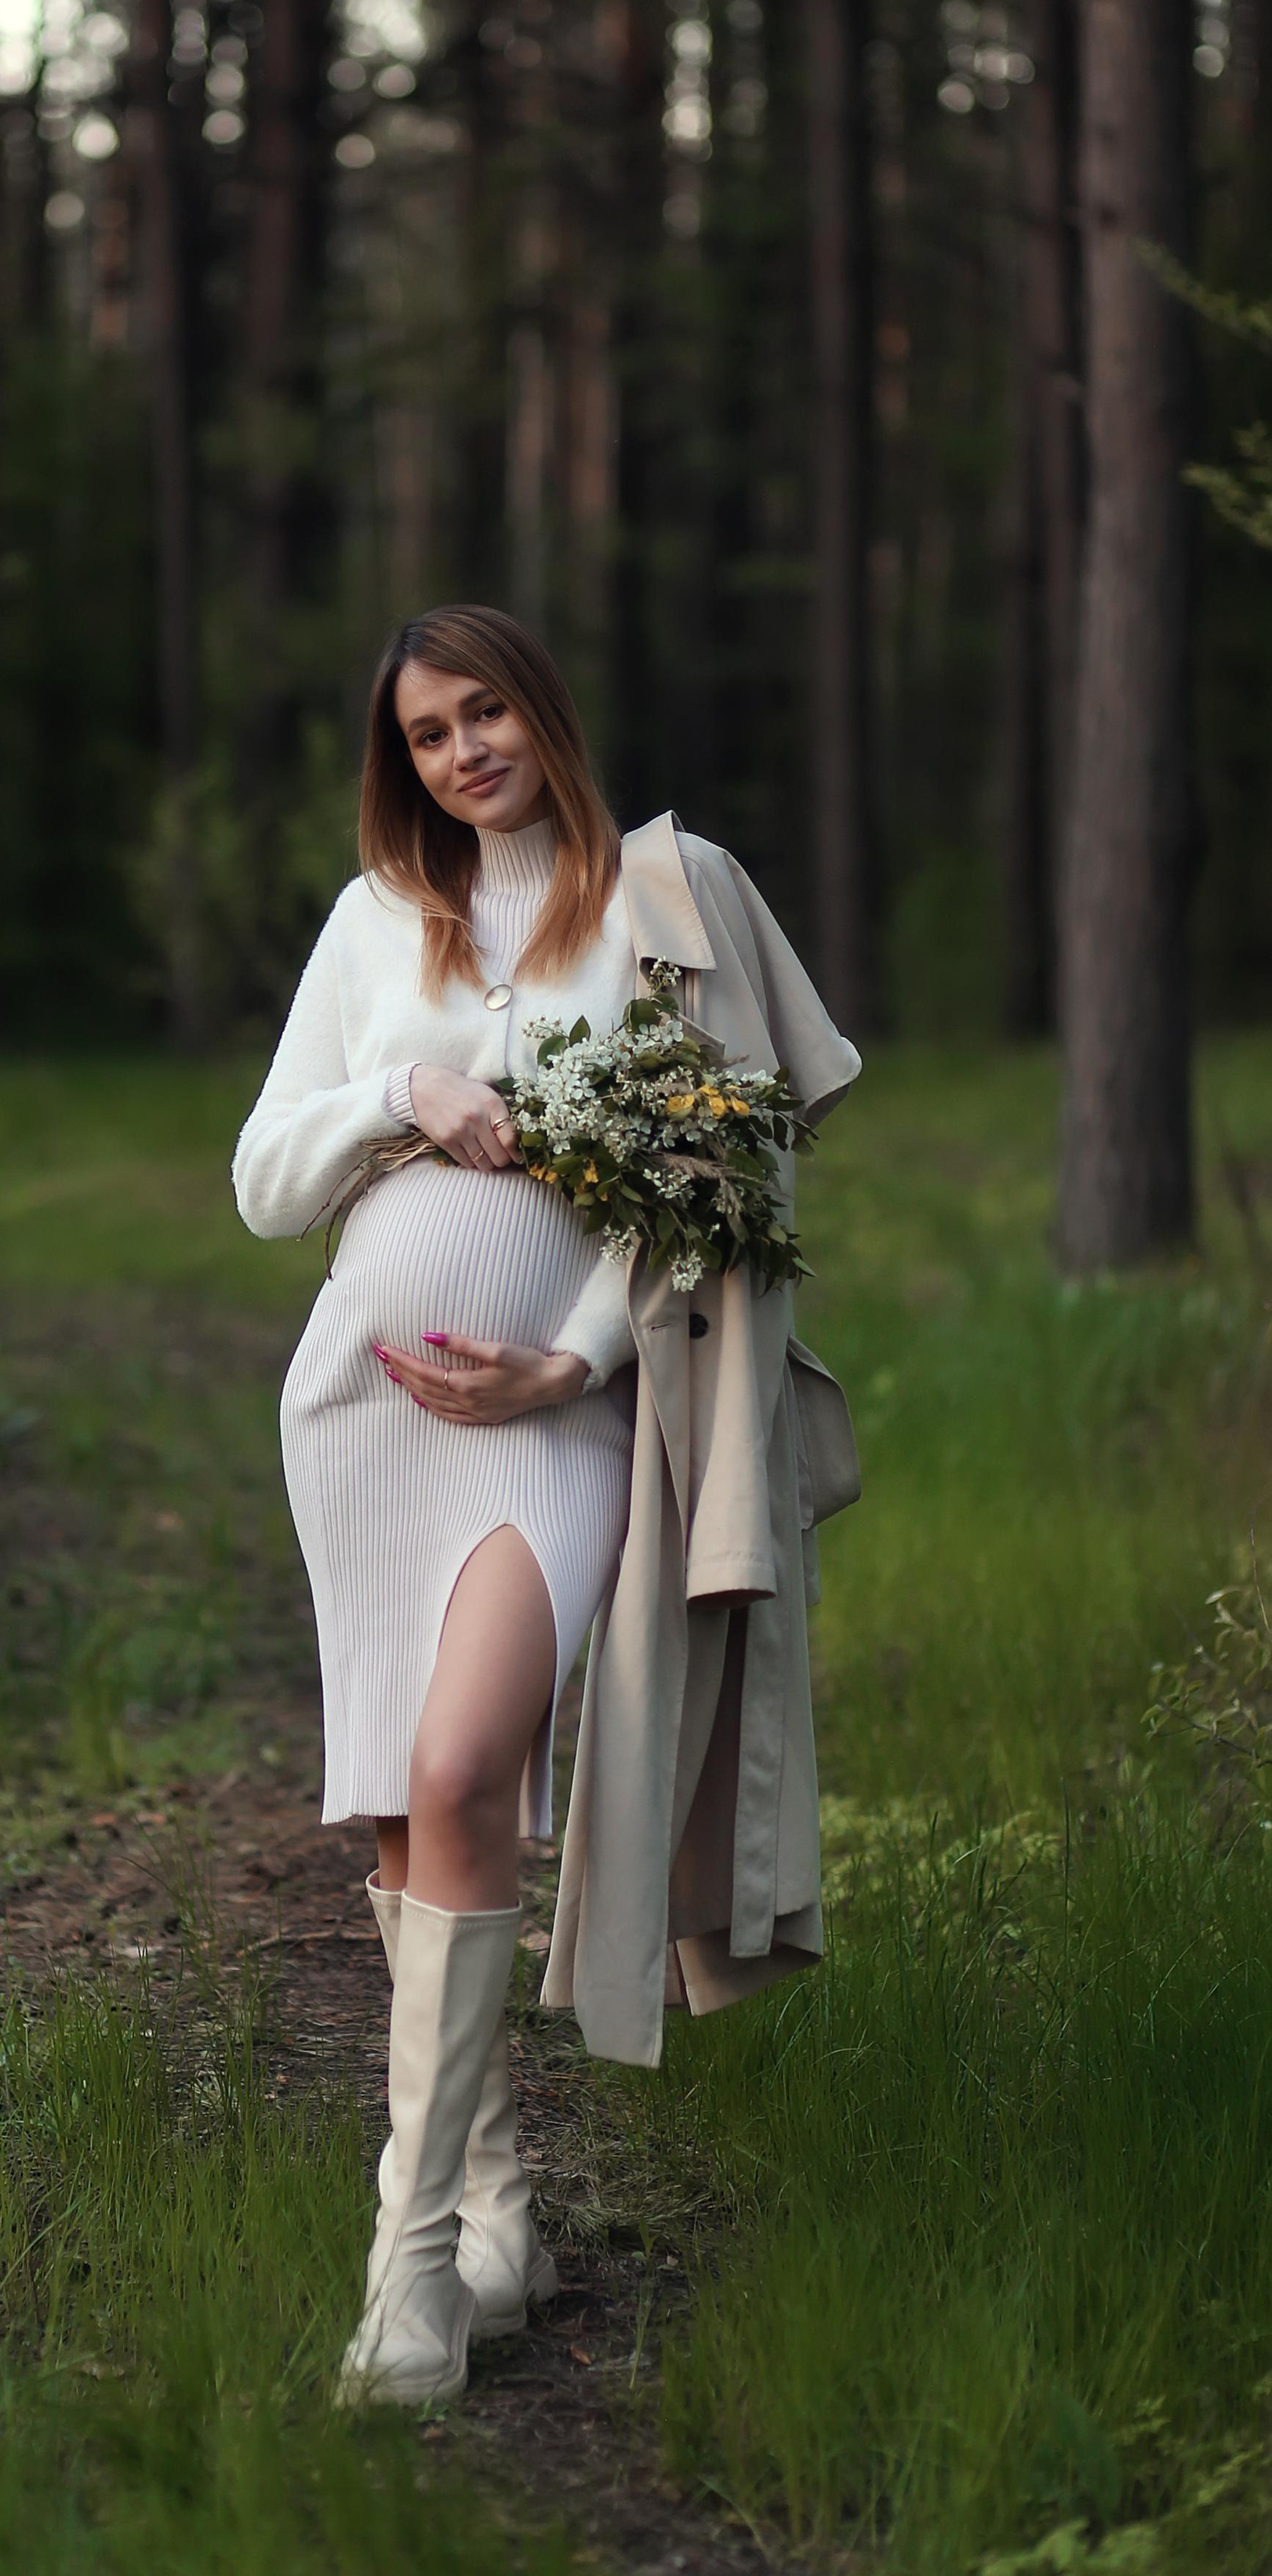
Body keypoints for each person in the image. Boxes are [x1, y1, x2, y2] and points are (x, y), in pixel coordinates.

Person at [232, 603, 862, 2410]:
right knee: (395, 1803)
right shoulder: (377, 926)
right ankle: (492, 2207)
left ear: (541, 709)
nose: (459, 754)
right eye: (425, 734)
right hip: (360, 1405)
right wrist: (401, 1093)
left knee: (459, 1776)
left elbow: (718, 1180)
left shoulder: (667, 898)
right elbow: (266, 1178)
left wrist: (571, 1364)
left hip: (559, 1423)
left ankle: (406, 2268)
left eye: (482, 711)